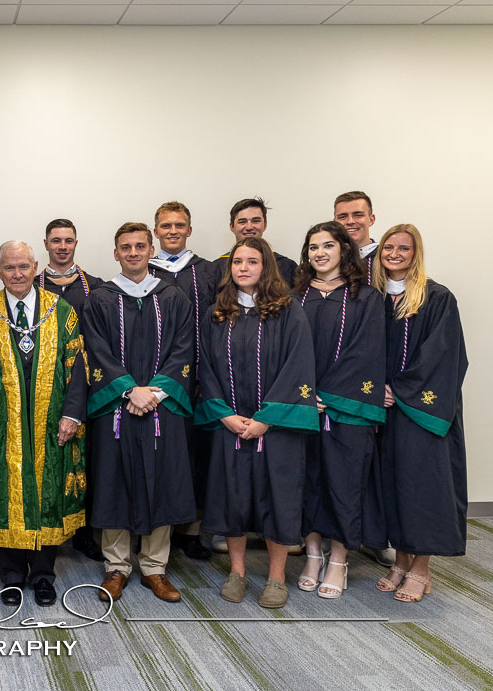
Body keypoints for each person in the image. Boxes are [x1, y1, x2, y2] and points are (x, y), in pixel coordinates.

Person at [0, 241, 89, 608]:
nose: (17, 274)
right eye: (9, 268)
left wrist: (72, 415)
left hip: (52, 425)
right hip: (1, 428)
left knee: (48, 496)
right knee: (6, 497)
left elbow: (77, 367)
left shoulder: (60, 311)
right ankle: (12, 577)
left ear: (35, 267)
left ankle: (44, 576)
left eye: (23, 267)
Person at [196, 237, 318, 608]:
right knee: (233, 496)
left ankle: (277, 577)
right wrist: (226, 415)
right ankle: (237, 571)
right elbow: (206, 367)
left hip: (275, 428)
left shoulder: (288, 310)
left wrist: (266, 419)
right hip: (230, 424)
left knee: (277, 498)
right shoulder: (218, 313)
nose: (243, 268)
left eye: (252, 261)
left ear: (266, 267)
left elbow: (299, 366)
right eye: (237, 262)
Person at [85, 223, 196, 604]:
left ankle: (155, 568)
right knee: (115, 481)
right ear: (115, 253)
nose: (133, 253)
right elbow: (95, 351)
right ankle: (116, 567)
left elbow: (185, 350)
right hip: (117, 407)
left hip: (162, 407)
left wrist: (154, 392)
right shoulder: (99, 299)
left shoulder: (174, 297)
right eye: (125, 247)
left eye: (139, 246)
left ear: (151, 250)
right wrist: (130, 390)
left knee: (161, 481)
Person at [371, 224, 467, 603]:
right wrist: (374, 389)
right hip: (382, 406)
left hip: (422, 409)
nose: (394, 254)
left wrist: (402, 390)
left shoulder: (436, 297)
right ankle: (401, 560)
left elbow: (444, 356)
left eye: (403, 249)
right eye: (388, 248)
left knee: (423, 487)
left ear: (416, 253)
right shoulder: (373, 297)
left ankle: (422, 567)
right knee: (391, 484)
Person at [292, 222, 386, 599]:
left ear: (344, 250)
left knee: (344, 483)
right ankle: (313, 554)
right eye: (313, 247)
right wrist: (302, 394)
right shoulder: (296, 296)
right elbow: (283, 352)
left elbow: (366, 353)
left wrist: (327, 395)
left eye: (327, 245)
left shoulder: (366, 297)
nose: (319, 253)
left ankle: (340, 558)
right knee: (307, 481)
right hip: (302, 407)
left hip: (347, 409)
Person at [148, 201, 220, 561]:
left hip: (201, 377)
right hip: (154, 381)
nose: (173, 230)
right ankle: (155, 524)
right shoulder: (142, 271)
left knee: (195, 454)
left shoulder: (208, 272)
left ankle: (191, 530)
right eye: (166, 225)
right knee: (160, 452)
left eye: (180, 225)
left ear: (189, 230)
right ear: (156, 231)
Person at [33, 218, 104, 562]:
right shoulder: (29, 286)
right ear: (45, 244)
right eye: (56, 240)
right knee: (43, 462)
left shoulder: (96, 287)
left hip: (85, 388)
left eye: (68, 240)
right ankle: (42, 530)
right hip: (39, 391)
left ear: (77, 243)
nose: (62, 246)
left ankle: (83, 533)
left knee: (83, 462)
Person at [215, 198, 298, 287]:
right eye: (242, 222)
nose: (249, 227)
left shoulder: (287, 267)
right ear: (232, 227)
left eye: (255, 221)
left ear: (265, 225)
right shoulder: (217, 268)